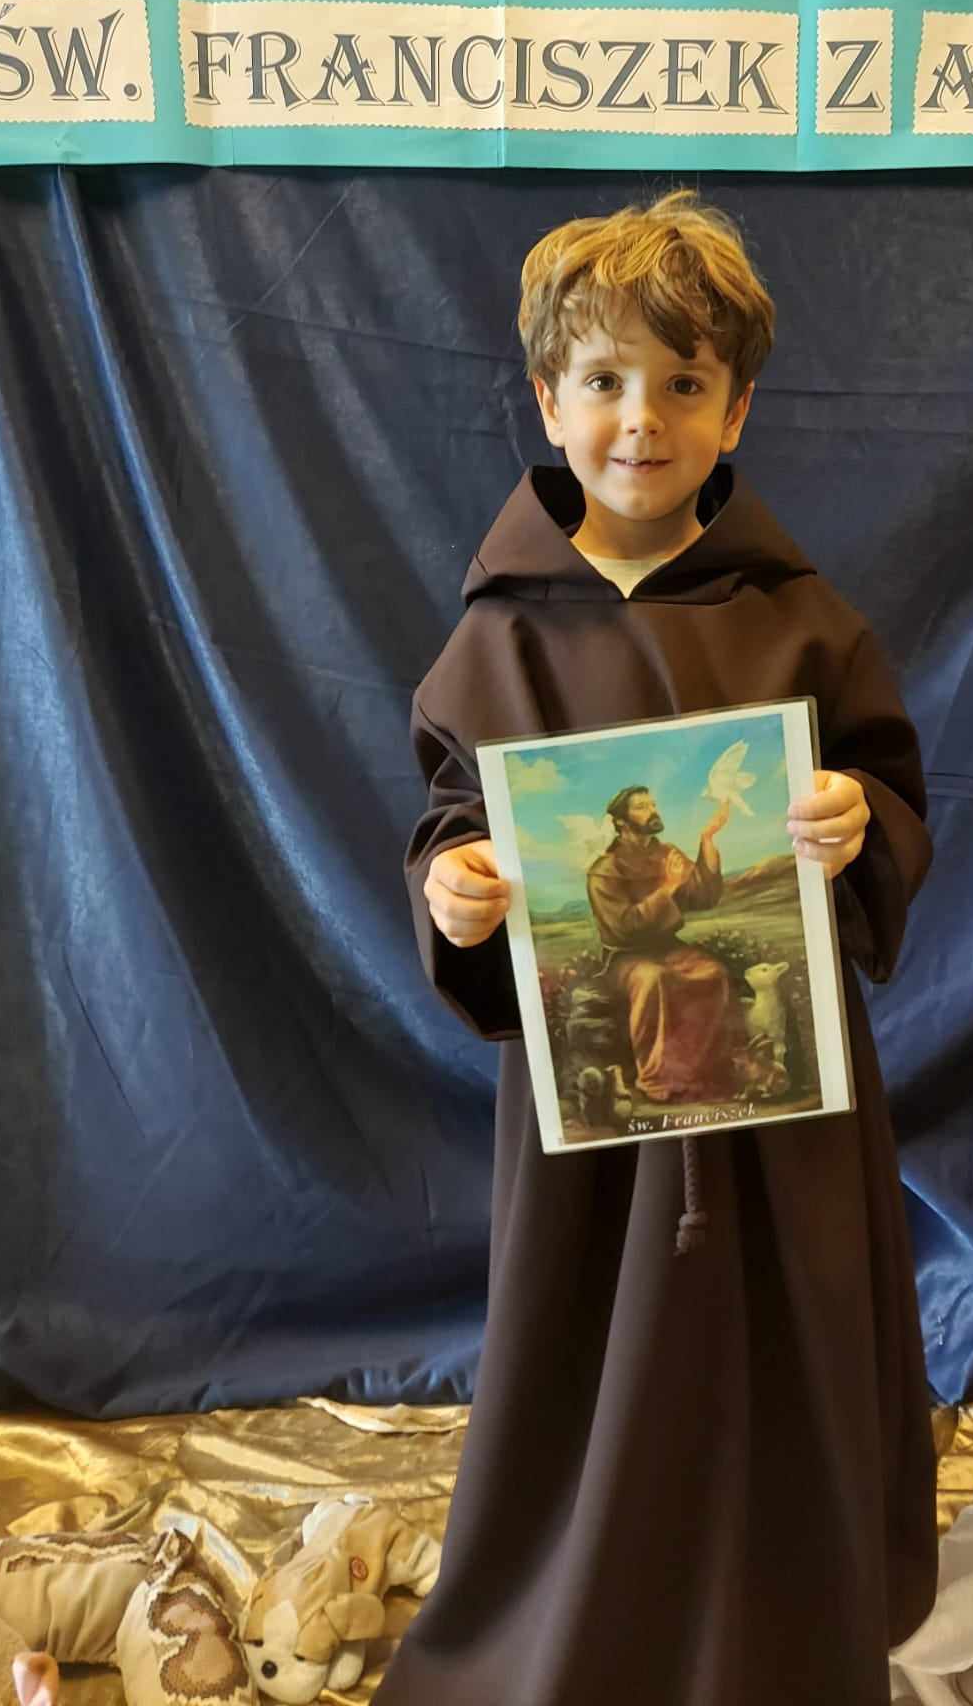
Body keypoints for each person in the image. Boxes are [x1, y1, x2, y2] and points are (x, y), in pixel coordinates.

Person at [385, 190, 936, 1706]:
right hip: (591, 1126)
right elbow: (451, 825)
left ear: (734, 409)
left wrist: (855, 822)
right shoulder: (495, 641)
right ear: (550, 398)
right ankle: (586, 1626)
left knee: (779, 1343)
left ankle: (777, 1634)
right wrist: (456, 893)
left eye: (683, 383)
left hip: (783, 1114)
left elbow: (888, 795)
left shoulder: (803, 623)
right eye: (607, 380)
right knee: (593, 1354)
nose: (642, 419)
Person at [585, 783, 736, 1103]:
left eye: (652, 804)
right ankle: (656, 1078)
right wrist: (667, 888)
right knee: (652, 979)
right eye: (641, 807)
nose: (652, 811)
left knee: (714, 973)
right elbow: (623, 928)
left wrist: (707, 840)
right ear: (621, 821)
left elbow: (704, 896)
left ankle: (702, 1071)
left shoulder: (668, 854)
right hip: (625, 956)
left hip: (669, 947)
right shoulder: (604, 871)